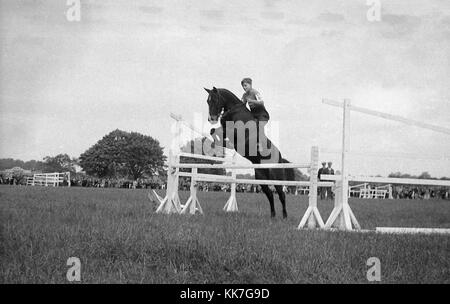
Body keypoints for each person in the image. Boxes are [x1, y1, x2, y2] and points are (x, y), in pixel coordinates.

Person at [240, 78, 270, 152]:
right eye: (243, 86)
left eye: (245, 85)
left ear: (250, 85)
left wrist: (252, 101)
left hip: (262, 114)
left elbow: (261, 102)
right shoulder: (244, 95)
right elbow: (241, 104)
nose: (244, 88)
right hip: (254, 115)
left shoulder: (255, 92)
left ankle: (261, 145)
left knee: (259, 126)